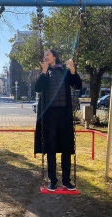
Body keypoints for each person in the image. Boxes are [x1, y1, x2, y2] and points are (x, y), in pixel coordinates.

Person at [34, 49, 82, 191]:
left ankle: (67, 180)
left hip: (64, 114)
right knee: (51, 147)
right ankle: (53, 180)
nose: (45, 57)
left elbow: (77, 85)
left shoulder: (64, 72)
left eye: (47, 55)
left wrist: (72, 69)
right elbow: (38, 88)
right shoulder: (45, 72)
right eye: (44, 56)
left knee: (66, 146)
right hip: (50, 115)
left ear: (54, 56)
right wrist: (43, 71)